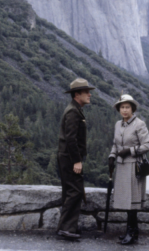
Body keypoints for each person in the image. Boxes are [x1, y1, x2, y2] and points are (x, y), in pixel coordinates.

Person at [108, 94, 149, 245]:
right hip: (121, 166)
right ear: (119, 109)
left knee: (131, 201)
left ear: (132, 108)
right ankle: (133, 231)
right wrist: (112, 156)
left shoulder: (139, 124)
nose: (124, 110)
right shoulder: (118, 124)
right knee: (127, 201)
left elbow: (147, 145)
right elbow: (115, 143)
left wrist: (129, 151)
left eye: (127, 107)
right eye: (122, 107)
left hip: (134, 165)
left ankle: (131, 232)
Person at [56, 78, 95, 239]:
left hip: (67, 157)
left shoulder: (75, 109)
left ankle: (66, 227)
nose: (89, 94)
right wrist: (77, 161)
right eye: (86, 92)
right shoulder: (73, 111)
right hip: (70, 158)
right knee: (75, 191)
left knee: (70, 191)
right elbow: (71, 139)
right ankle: (66, 228)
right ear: (76, 94)